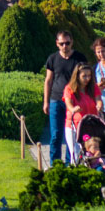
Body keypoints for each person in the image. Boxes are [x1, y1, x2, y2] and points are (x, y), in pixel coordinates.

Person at [43, 30, 89, 165]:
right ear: (57, 43)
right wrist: (46, 102)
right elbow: (48, 80)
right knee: (56, 134)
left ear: (72, 42)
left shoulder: (79, 58)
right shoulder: (52, 59)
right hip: (56, 100)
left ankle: (70, 163)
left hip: (74, 101)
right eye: (62, 43)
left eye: (67, 43)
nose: (65, 46)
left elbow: (86, 78)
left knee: (72, 135)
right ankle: (55, 164)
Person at [62, 63, 98, 165]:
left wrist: (99, 105)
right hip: (73, 125)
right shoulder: (69, 88)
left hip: (89, 125)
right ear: (77, 76)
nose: (87, 79)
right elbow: (68, 104)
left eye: (89, 75)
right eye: (84, 76)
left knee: (90, 152)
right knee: (75, 153)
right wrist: (73, 109)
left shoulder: (93, 87)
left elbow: (98, 99)